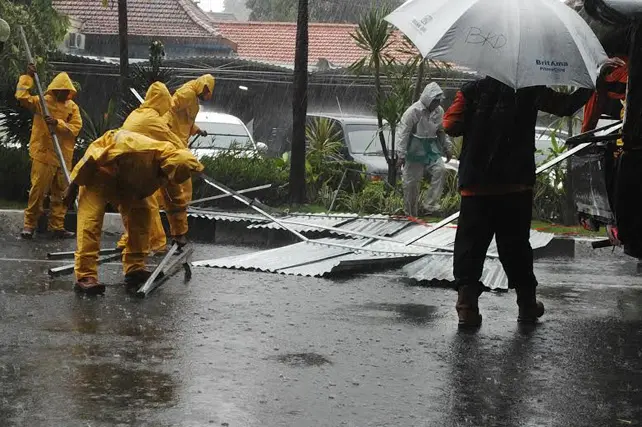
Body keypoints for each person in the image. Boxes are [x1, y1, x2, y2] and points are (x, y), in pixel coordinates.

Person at [443, 59, 624, 327]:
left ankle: (466, 306)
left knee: (470, 245)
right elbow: (565, 107)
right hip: (515, 184)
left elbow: (450, 124)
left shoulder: (472, 90)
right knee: (515, 245)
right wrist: (595, 81)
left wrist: (477, 112)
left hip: (476, 185)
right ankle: (527, 305)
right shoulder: (530, 90)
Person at [66, 129, 204, 295]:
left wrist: (179, 232)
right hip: (100, 176)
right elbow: (93, 155)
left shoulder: (172, 166)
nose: (164, 179)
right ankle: (85, 276)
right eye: (163, 175)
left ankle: (134, 269)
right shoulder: (133, 147)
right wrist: (74, 184)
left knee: (142, 217)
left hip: (130, 187)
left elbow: (175, 201)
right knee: (91, 221)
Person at [115, 82, 186, 255]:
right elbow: (175, 142)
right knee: (149, 205)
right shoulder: (153, 119)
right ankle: (157, 244)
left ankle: (129, 240)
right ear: (161, 101)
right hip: (136, 167)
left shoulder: (137, 113)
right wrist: (190, 160)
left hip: (122, 166)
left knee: (131, 206)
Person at [16, 64, 82, 239]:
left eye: (66, 90)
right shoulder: (41, 102)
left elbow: (76, 127)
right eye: (61, 90)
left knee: (61, 193)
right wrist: (28, 77)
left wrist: (58, 124)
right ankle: (29, 224)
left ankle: (57, 226)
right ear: (55, 89)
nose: (63, 93)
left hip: (63, 157)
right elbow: (22, 97)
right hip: (43, 154)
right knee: (38, 191)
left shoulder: (72, 107)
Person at [162, 74, 215, 246]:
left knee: (176, 191)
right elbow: (169, 110)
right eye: (207, 91)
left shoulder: (192, 97)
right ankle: (177, 233)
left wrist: (197, 130)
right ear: (203, 86)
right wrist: (166, 130)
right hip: (174, 145)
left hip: (179, 144)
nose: (207, 95)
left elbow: (185, 120)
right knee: (180, 190)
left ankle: (174, 233)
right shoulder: (187, 94)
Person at [397, 82, 453, 217]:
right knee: (411, 183)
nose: (436, 104)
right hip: (414, 149)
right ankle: (410, 214)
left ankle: (430, 204)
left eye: (438, 101)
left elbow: (440, 131)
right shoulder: (413, 112)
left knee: (440, 170)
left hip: (430, 147)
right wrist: (401, 155)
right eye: (435, 101)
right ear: (428, 99)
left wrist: (447, 147)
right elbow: (403, 133)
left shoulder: (438, 111)